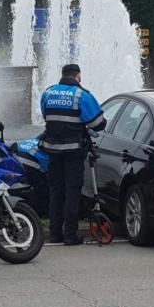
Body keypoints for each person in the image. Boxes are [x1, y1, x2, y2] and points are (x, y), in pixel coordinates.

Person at [39, 64, 107, 245]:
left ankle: (54, 233)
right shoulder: (81, 95)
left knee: (55, 191)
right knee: (72, 191)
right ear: (78, 76)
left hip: (52, 150)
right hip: (73, 151)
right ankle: (70, 235)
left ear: (62, 75)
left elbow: (46, 115)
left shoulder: (48, 93)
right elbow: (98, 123)